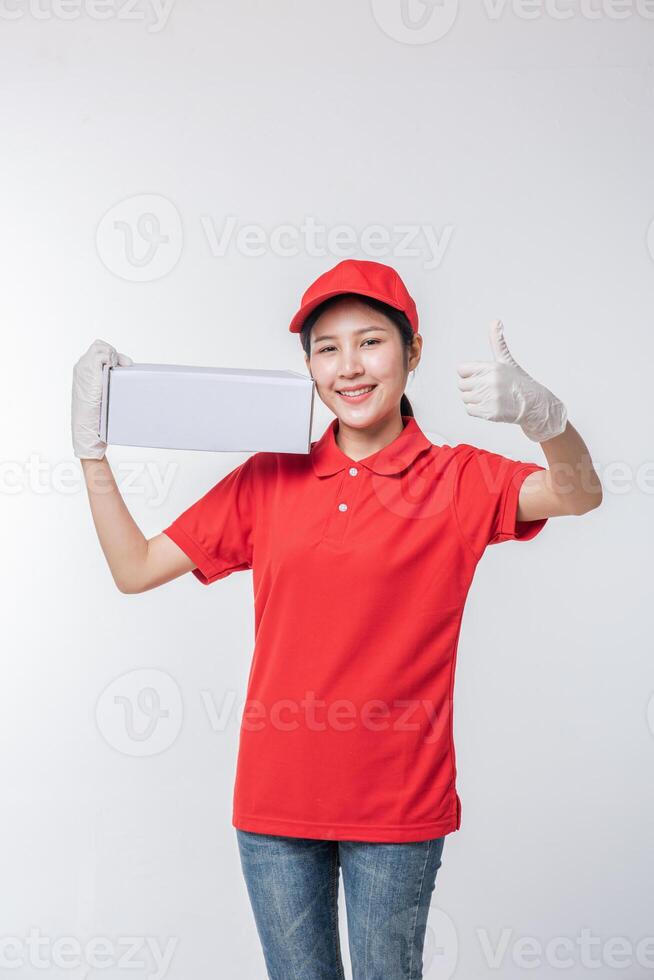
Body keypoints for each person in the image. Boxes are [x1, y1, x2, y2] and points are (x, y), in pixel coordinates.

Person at [71, 259, 603, 980]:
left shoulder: (457, 479)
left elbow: (578, 496)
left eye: (371, 342)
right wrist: (91, 452)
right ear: (309, 366)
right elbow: (134, 569)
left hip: (397, 805)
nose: (349, 367)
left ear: (413, 353)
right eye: (327, 348)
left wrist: (550, 420)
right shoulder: (270, 478)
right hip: (274, 806)